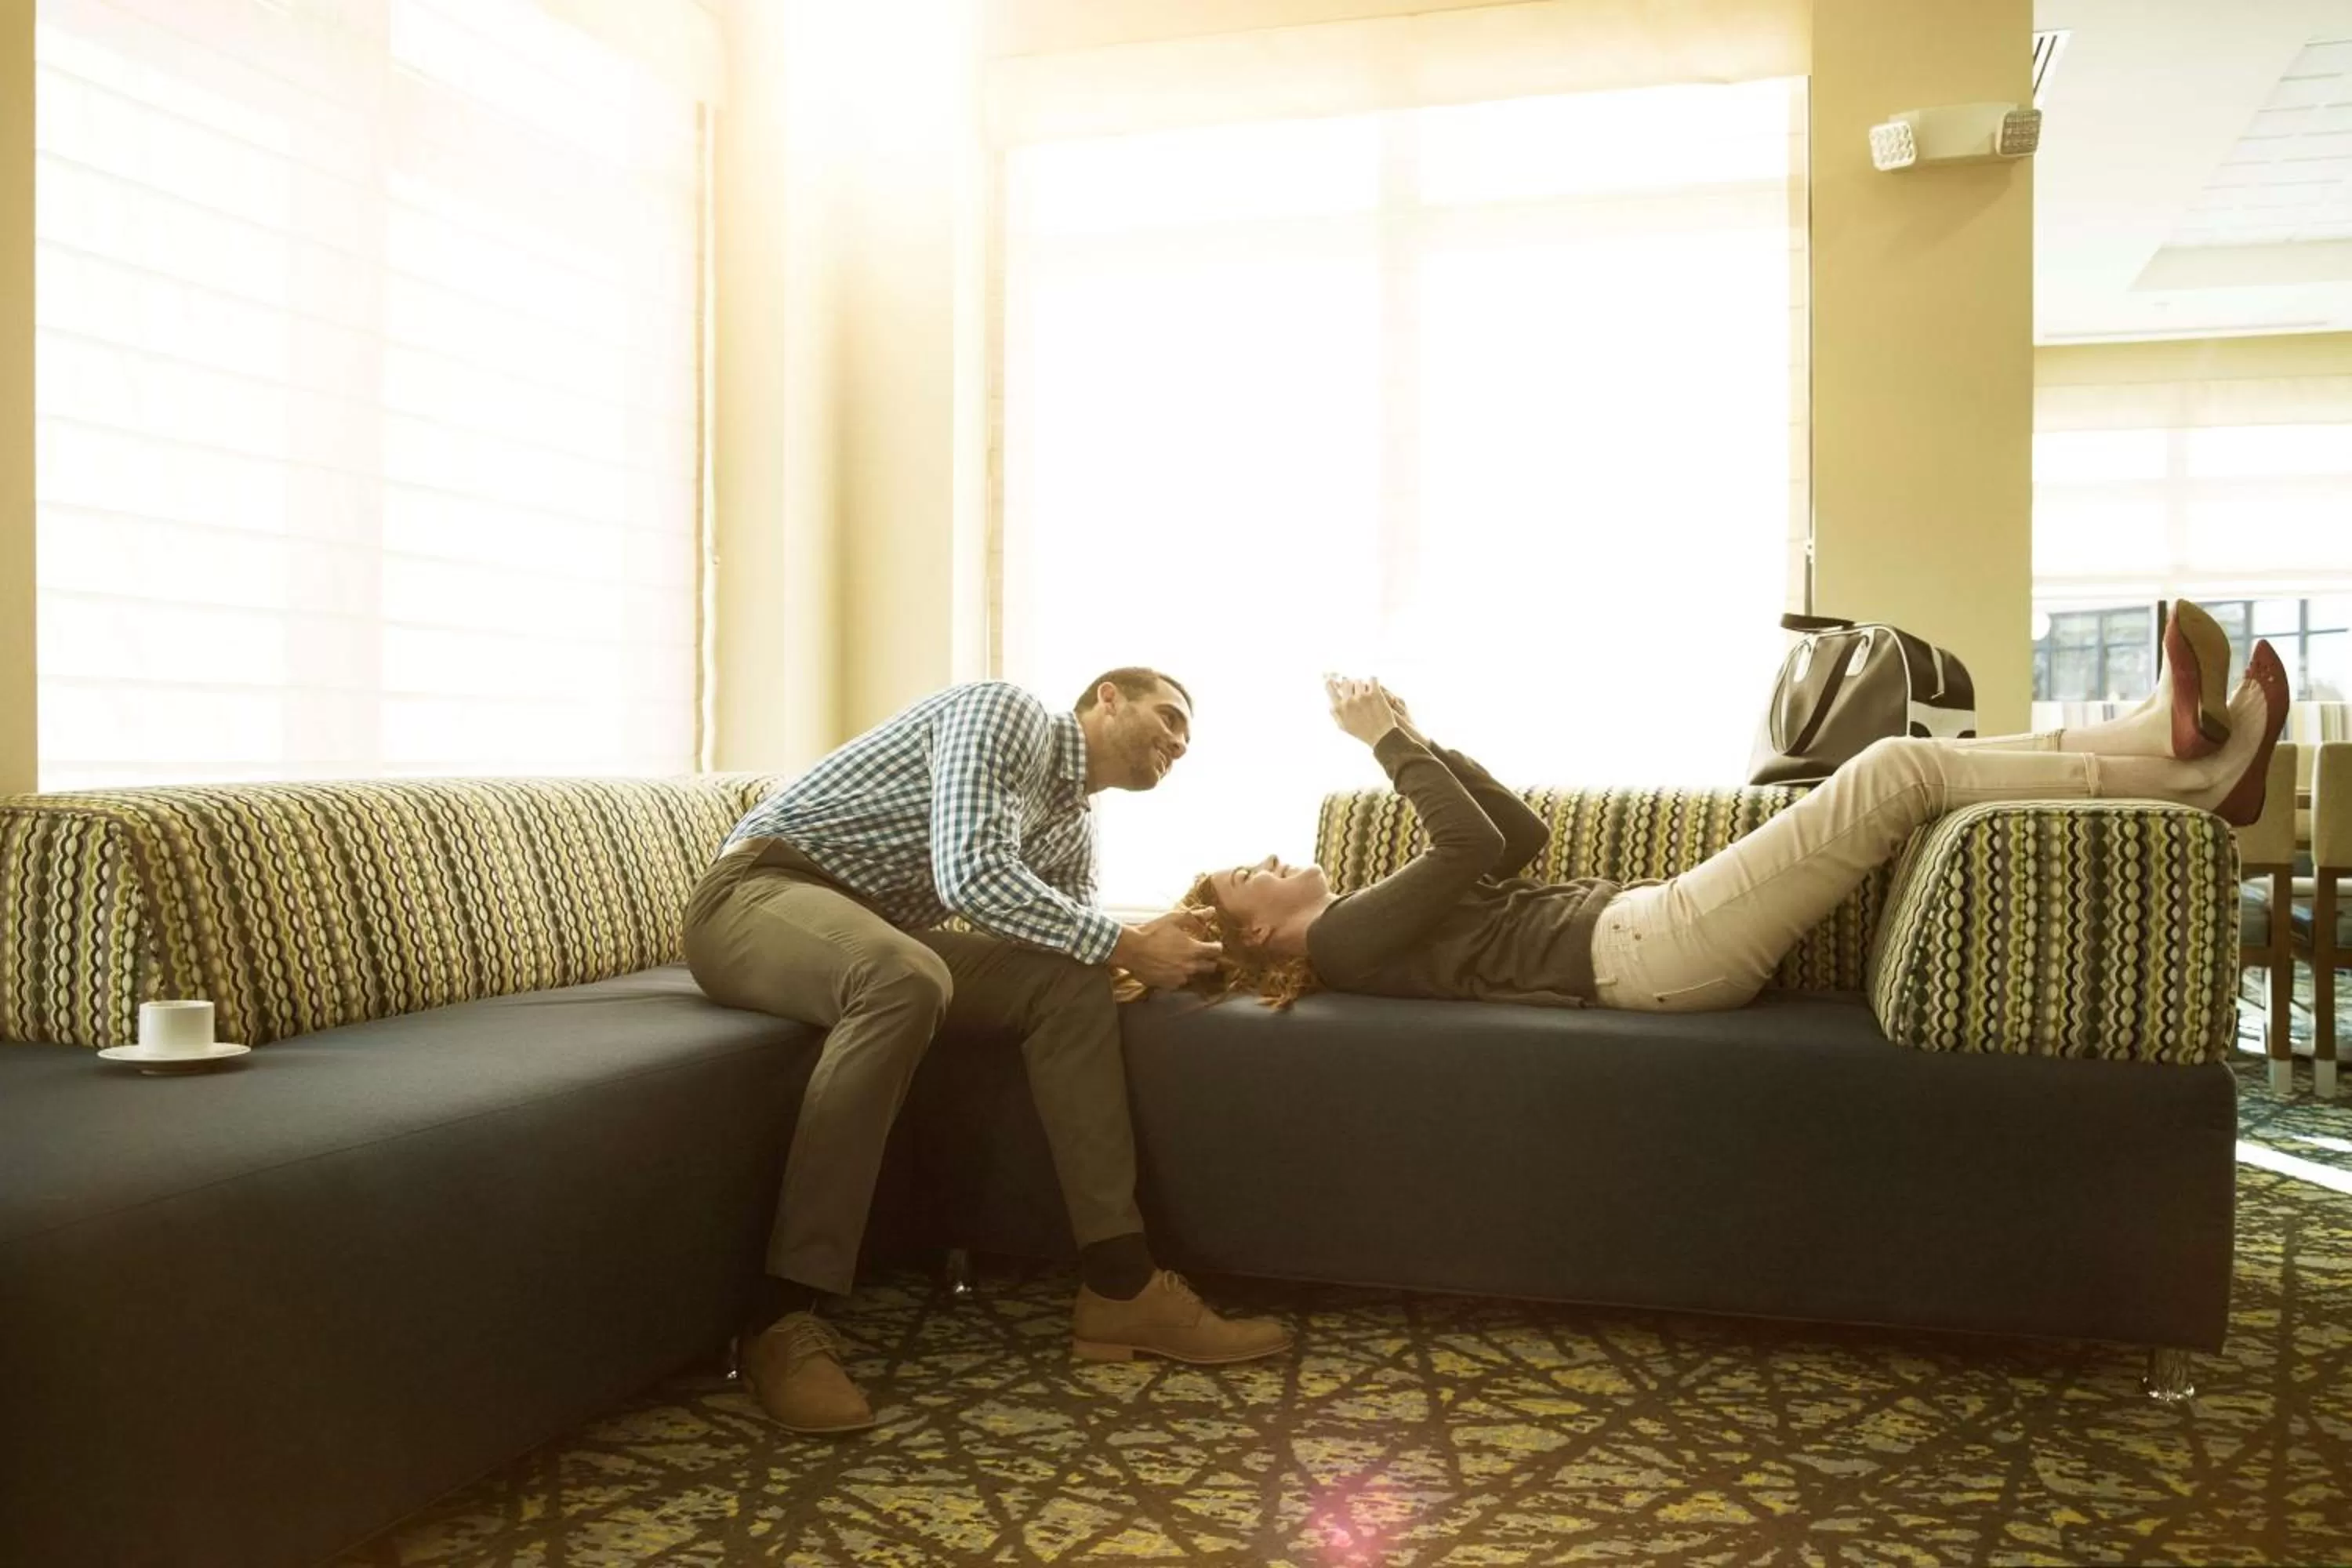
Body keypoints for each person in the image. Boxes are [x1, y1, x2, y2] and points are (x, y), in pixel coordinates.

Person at [1178, 600, 2289, 1018]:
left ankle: (2170, 750)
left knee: (1898, 774)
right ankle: (2187, 771)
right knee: (1894, 773)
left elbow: (1514, 838)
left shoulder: (1364, 927)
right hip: (1647, 956)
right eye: (1251, 875)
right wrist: (1383, 744)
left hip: (1657, 932)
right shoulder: (1346, 943)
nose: (1275, 860)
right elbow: (1467, 840)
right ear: (1262, 934)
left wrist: (1414, 735)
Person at [686, 670, 1291, 1436]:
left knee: (1066, 984)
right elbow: (970, 873)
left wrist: (1174, 948)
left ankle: (1120, 1282)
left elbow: (1071, 941)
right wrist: (1130, 942)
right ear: (1108, 697)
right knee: (904, 978)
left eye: (1187, 738)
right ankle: (780, 1313)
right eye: (1170, 716)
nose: (1178, 741)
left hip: (876, 933)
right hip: (759, 895)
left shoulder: (1073, 823)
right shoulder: (1004, 713)